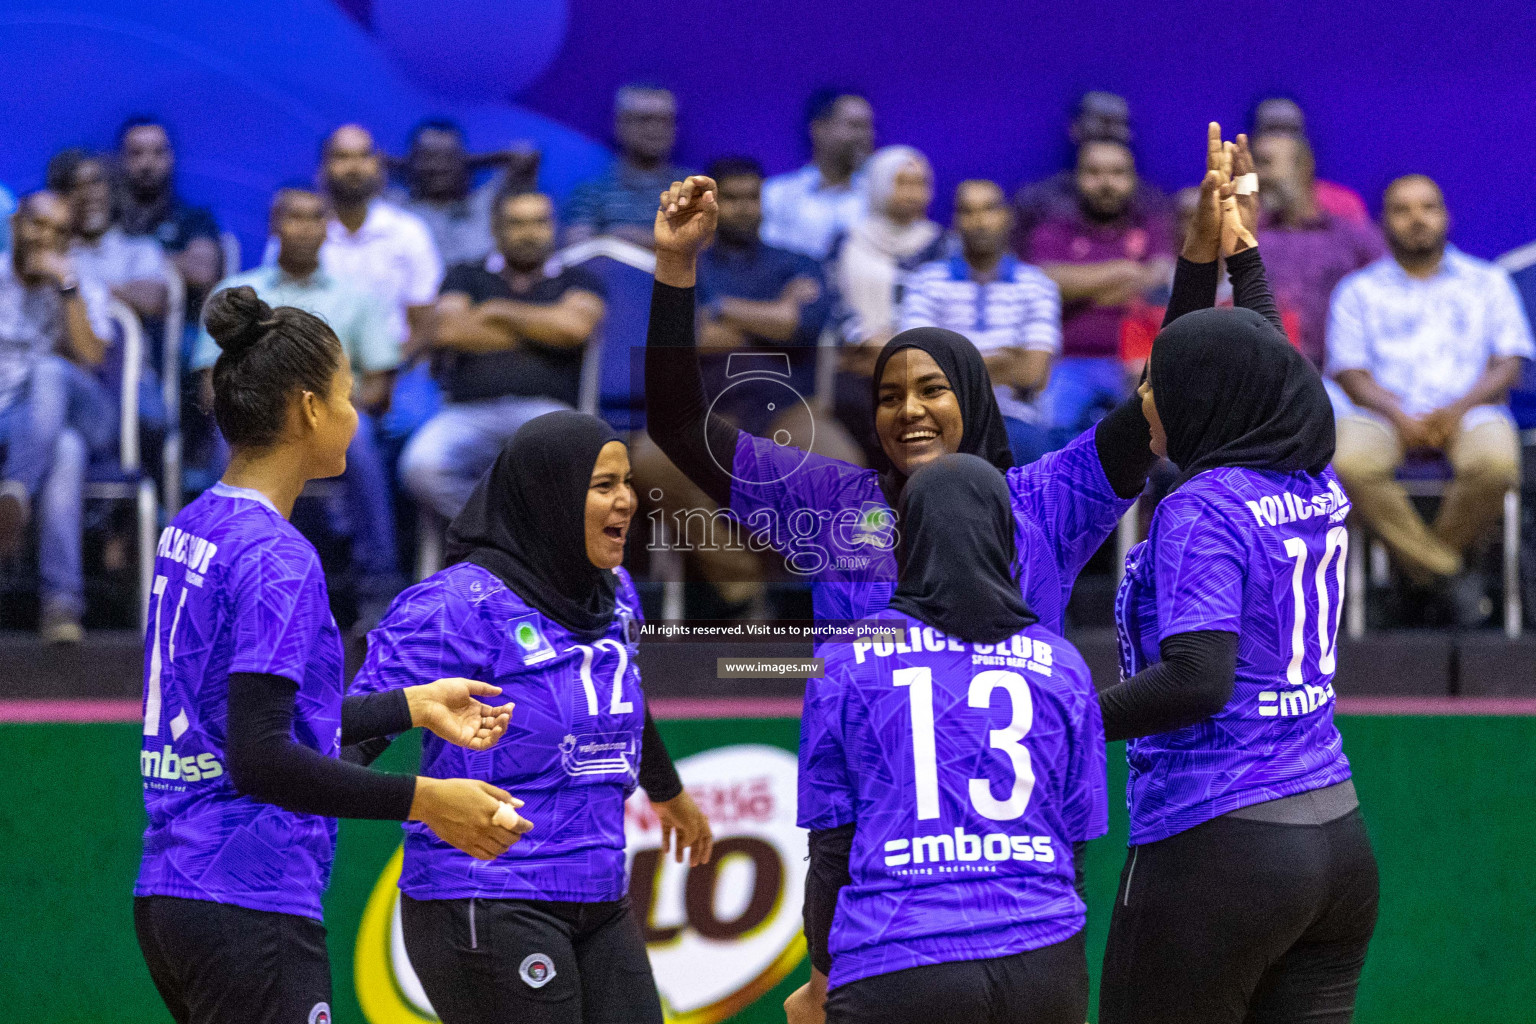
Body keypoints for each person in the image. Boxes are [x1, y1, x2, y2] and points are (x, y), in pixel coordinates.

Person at [644, 126, 1266, 642]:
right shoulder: (835, 505)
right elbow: (678, 425)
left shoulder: (1050, 501)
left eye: (931, 390)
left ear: (970, 398)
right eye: (889, 397)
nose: (907, 410)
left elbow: (1158, 397)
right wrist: (675, 270)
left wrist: (1201, 258)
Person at [133, 285, 530, 1024]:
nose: (356, 414)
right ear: (311, 408)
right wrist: (429, 800)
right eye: (348, 396)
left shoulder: (194, 524)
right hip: (248, 899)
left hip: (175, 893)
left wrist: (409, 706)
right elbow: (261, 758)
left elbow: (247, 718)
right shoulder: (277, 558)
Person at [1096, 198, 1378, 1024]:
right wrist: (1244, 260)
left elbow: (1197, 678)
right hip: (1337, 841)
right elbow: (1269, 366)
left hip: (1220, 841)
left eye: (1158, 382)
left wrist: (1062, 713)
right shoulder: (1311, 478)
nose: (1146, 398)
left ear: (1200, 399)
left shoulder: (1201, 508)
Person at [350, 411, 715, 1024]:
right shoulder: (452, 609)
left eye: (627, 482)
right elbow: (342, 737)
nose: (627, 499)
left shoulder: (614, 589)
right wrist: (424, 798)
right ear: (550, 495)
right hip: (484, 893)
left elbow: (621, 690)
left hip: (597, 890)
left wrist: (668, 792)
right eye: (603, 485)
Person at [785, 454, 1107, 1024]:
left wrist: (819, 980)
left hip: (896, 960)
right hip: (1043, 961)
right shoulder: (1064, 665)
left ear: (905, 545)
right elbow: (1076, 844)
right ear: (1007, 543)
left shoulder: (843, 663)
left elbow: (831, 850)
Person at [191, 186, 405, 628]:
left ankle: (377, 586)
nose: (306, 229)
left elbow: (380, 388)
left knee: (361, 436)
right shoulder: (237, 292)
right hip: (253, 417)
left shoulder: (357, 297)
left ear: (327, 229)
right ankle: (217, 573)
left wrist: (322, 408)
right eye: (294, 218)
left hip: (333, 416)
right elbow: (211, 385)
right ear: (273, 226)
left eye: (315, 218)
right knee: (224, 439)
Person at [1327, 175, 1532, 623]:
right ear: (1384, 223)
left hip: (1471, 408)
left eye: (1428, 207)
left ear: (1446, 216)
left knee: (1497, 464)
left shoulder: (1488, 281)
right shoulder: (1358, 290)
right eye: (1402, 209)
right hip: (1381, 412)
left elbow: (1508, 364)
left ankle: (1411, 580)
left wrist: (1456, 410)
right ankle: (1446, 575)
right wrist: (1399, 415)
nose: (1417, 219)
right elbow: (1349, 372)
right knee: (1346, 463)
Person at [401, 190, 605, 521]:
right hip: (467, 413)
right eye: (517, 223)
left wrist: (495, 310)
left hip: (546, 411)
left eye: (539, 222)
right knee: (421, 468)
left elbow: (573, 329)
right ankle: (506, 537)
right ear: (495, 229)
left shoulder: (579, 279)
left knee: (567, 470)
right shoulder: (465, 274)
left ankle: (502, 542)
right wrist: (540, 329)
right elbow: (449, 331)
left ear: (554, 227)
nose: (529, 233)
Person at [0, 191, 114, 643]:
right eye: (37, 225)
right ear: (15, 227)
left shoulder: (81, 282)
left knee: (49, 370)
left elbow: (90, 358)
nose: (45, 238)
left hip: (85, 408)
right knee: (65, 450)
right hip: (15, 423)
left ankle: (14, 493)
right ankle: (60, 603)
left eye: (58, 232)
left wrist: (66, 290)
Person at [900, 179, 1060, 465]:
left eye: (989, 209)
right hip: (940, 418)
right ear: (955, 222)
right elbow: (915, 368)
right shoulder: (925, 282)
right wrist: (1004, 360)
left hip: (1015, 420)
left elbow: (1032, 375)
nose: (980, 222)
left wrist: (951, 365)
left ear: (1007, 217)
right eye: (968, 211)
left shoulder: (1038, 285)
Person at [1027, 138, 1173, 452]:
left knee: (1159, 434)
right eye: (1094, 172)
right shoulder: (1055, 228)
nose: (1106, 183)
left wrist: (1081, 285)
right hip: (1069, 363)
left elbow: (1158, 279)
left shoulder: (1152, 226)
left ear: (1133, 178)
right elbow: (1044, 281)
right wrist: (1124, 270)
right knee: (1049, 433)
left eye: (1117, 173)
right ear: (1076, 178)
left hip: (1138, 363)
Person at [1251, 130, 1384, 368]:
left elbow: (1391, 290)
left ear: (1303, 166)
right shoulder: (1252, 238)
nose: (1258, 176)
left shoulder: (1351, 237)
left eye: (1266, 163)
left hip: (1344, 377)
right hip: (1270, 374)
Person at [1014, 91, 1168, 245]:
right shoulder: (1036, 201)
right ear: (1074, 129)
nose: (1107, 131)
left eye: (1117, 123)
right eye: (1099, 121)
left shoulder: (1151, 203)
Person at [384, 118, 540, 268]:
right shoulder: (394, 206)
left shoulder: (484, 205)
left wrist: (467, 163)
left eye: (448, 158)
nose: (438, 167)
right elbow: (368, 167)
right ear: (411, 161)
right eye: (428, 158)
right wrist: (406, 167)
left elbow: (526, 157)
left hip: (477, 292)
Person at [116, 116, 225, 313]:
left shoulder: (193, 218)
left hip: (179, 332)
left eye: (158, 152)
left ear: (171, 157)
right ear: (120, 158)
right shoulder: (105, 219)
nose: (147, 163)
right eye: (136, 153)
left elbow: (202, 271)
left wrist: (138, 260)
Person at [48, 148, 169, 322]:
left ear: (111, 189)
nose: (88, 195)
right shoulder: (55, 256)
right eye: (74, 186)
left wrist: (74, 286)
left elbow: (152, 300)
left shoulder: (140, 250)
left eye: (95, 183)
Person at [564, 85, 690, 249]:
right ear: (619, 125)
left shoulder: (692, 186)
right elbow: (577, 249)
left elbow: (704, 247)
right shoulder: (591, 190)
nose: (655, 129)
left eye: (665, 120)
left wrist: (621, 237)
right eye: (644, 119)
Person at [761, 90, 875, 261]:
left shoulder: (878, 197)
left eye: (868, 127)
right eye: (854, 126)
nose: (865, 136)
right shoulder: (777, 194)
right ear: (818, 129)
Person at [1250, 98, 1369, 225]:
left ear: (1306, 161)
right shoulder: (1241, 209)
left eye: (1291, 161)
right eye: (1264, 161)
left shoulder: (1343, 205)